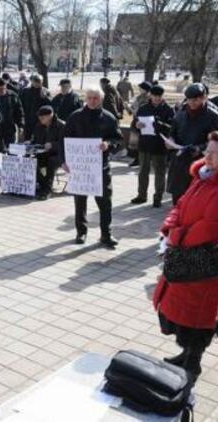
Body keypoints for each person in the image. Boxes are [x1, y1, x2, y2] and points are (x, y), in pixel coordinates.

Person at [153, 136, 218, 381]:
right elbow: (180, 205)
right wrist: (168, 229)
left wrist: (175, 238)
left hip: (205, 262)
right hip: (184, 253)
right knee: (182, 307)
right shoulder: (202, 177)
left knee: (199, 312)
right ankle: (186, 354)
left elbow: (209, 227)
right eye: (208, 151)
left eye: (214, 153)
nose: (208, 156)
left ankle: (193, 362)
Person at [64, 87, 123, 248]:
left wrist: (108, 144)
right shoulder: (75, 117)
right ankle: (81, 232)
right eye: (89, 98)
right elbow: (65, 140)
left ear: (101, 99)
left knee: (105, 203)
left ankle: (106, 234)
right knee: (80, 202)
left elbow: (118, 139)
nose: (92, 101)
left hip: (101, 168)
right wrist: (64, 161)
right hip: (80, 169)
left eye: (96, 98)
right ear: (86, 98)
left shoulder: (109, 118)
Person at [167, 83, 218, 205]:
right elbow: (172, 132)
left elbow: (215, 141)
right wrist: (170, 141)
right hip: (180, 161)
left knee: (196, 200)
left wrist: (199, 148)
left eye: (196, 99)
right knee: (178, 198)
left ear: (204, 98)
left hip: (200, 162)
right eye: (189, 99)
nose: (192, 102)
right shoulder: (181, 113)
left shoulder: (213, 116)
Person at [130, 84, 175, 208]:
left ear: (162, 96)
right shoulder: (144, 108)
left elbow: (172, 128)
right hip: (144, 144)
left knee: (159, 173)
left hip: (160, 146)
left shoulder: (168, 109)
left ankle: (158, 197)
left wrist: (160, 124)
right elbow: (134, 123)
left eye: (159, 96)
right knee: (143, 172)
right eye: (154, 96)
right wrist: (137, 125)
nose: (156, 98)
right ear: (150, 95)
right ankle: (141, 195)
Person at [0, 77, 24, 183]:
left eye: (3, 88)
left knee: (12, 150)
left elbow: (19, 111)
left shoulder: (13, 95)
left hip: (9, 127)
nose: (1, 91)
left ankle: (12, 173)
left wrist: (21, 125)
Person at [32, 105, 65, 200]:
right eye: (39, 116)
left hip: (60, 154)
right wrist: (31, 143)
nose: (40, 118)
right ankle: (42, 185)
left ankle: (47, 190)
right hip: (44, 153)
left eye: (43, 116)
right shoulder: (39, 125)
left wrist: (52, 145)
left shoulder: (61, 126)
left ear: (51, 115)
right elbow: (37, 140)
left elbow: (66, 143)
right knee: (32, 160)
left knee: (51, 162)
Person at [19, 74, 51, 140]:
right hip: (27, 119)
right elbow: (20, 105)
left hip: (41, 120)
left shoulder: (45, 92)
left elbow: (50, 107)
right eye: (35, 81)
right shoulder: (25, 91)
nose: (37, 83)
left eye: (39, 81)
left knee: (40, 138)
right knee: (27, 139)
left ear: (42, 82)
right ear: (32, 81)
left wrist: (45, 98)